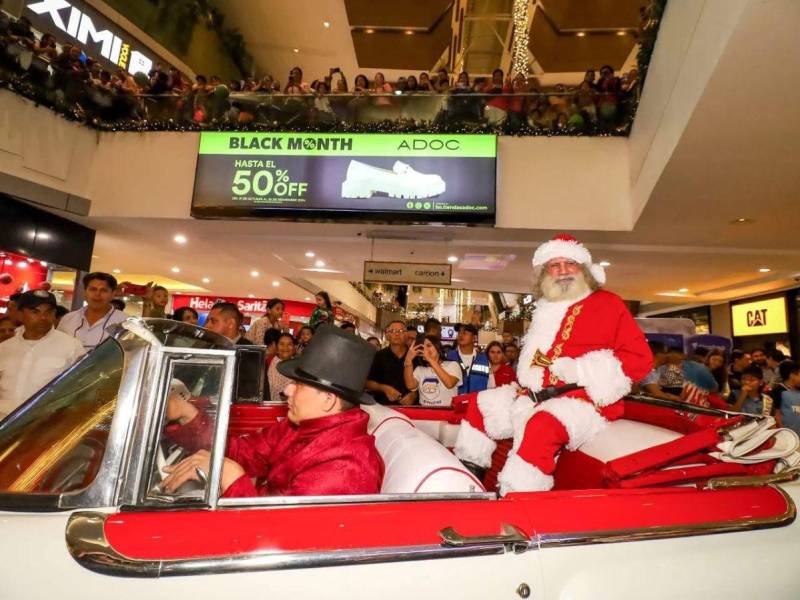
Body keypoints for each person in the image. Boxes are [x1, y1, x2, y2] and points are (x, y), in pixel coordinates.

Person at [454, 234, 652, 493]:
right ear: (545, 273)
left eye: (570, 264)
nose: (562, 271)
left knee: (541, 427)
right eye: (554, 265)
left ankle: (517, 502)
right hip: (537, 395)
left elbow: (640, 359)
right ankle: (466, 488)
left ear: (584, 269)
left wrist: (581, 370)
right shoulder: (546, 307)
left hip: (583, 402)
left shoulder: (608, 303)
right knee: (481, 406)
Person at [161, 325, 383, 497]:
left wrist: (229, 476)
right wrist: (187, 414)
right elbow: (246, 452)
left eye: (299, 384)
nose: (287, 390)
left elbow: (284, 540)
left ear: (328, 400)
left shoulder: (345, 469)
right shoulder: (299, 426)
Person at [0, 291, 85, 419]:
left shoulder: (72, 347)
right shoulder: (5, 348)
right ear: (21, 314)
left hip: (43, 426)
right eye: (35, 312)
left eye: (49, 312)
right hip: (4, 423)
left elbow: (82, 389)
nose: (43, 317)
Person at [58, 272, 127, 351]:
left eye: (103, 290)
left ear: (113, 294)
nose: (97, 294)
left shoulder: (124, 322)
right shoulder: (68, 319)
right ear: (85, 292)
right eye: (92, 289)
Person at [404, 335, 461, 407]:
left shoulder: (452, 365)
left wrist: (430, 359)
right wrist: (408, 361)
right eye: (422, 348)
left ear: (437, 347)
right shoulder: (420, 369)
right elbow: (410, 386)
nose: (425, 350)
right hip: (426, 413)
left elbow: (449, 384)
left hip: (447, 413)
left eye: (429, 345)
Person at [366, 320, 414, 405]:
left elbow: (423, 380)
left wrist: (414, 394)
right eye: (392, 331)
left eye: (401, 331)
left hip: (411, 408)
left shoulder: (415, 356)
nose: (397, 334)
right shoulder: (378, 356)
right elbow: (367, 382)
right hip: (383, 407)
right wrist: (383, 388)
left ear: (407, 335)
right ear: (387, 335)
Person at [446, 323, 490, 394]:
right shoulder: (448, 357)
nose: (461, 335)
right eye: (459, 332)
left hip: (477, 402)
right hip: (454, 402)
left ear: (474, 338)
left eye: (464, 333)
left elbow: (491, 384)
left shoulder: (484, 359)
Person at [771, 361, 800, 434]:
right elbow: (776, 413)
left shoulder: (798, 389)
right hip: (788, 432)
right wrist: (782, 431)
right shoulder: (779, 390)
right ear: (792, 375)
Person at [268, 332, 296, 402]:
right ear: (277, 347)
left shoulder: (299, 366)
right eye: (282, 344)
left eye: (289, 344)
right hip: (271, 406)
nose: (285, 347)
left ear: (294, 347)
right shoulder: (268, 362)